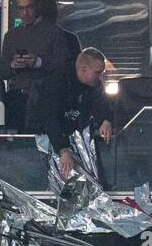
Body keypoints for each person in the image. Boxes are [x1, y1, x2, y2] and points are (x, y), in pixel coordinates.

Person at [0, 0, 73, 133]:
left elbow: (63, 67)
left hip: (46, 101)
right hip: (17, 101)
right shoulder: (11, 36)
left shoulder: (55, 33)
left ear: (37, 6)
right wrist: (13, 65)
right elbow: (2, 71)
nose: (25, 13)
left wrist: (38, 62)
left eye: (29, 7)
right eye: (21, 8)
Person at [46, 47, 115, 179]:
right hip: (52, 141)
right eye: (97, 72)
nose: (100, 77)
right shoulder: (56, 81)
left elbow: (102, 102)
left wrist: (106, 120)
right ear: (83, 68)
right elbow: (50, 118)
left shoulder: (94, 85)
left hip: (77, 140)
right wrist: (63, 149)